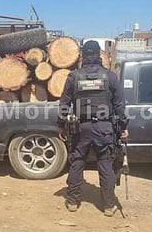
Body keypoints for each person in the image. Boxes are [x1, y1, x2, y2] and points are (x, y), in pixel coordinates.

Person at [58, 40, 129, 217]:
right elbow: (119, 105)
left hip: (80, 128)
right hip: (104, 128)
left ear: (83, 55)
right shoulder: (110, 76)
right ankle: (109, 205)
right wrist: (123, 127)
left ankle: (73, 202)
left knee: (77, 162)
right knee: (105, 164)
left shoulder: (74, 77)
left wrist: (61, 126)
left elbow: (64, 104)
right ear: (98, 55)